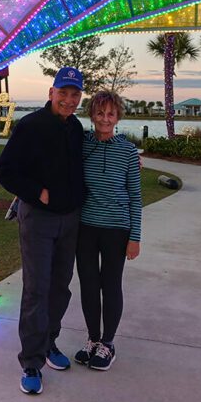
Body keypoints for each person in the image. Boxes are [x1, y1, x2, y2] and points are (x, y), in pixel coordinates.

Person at [0, 67, 85, 395]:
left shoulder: (76, 128)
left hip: (70, 219)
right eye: (64, 93)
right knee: (36, 289)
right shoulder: (30, 126)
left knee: (60, 287)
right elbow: (4, 171)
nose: (69, 99)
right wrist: (36, 192)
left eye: (75, 94)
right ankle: (31, 360)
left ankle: (49, 344)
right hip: (38, 220)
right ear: (51, 92)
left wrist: (130, 158)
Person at [74, 90, 142, 371]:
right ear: (92, 115)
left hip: (117, 229)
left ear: (117, 117)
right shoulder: (81, 144)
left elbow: (136, 197)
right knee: (88, 285)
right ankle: (92, 339)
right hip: (86, 227)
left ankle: (108, 343)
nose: (105, 119)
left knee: (110, 285)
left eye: (110, 114)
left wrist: (135, 237)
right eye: (100, 113)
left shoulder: (127, 151)